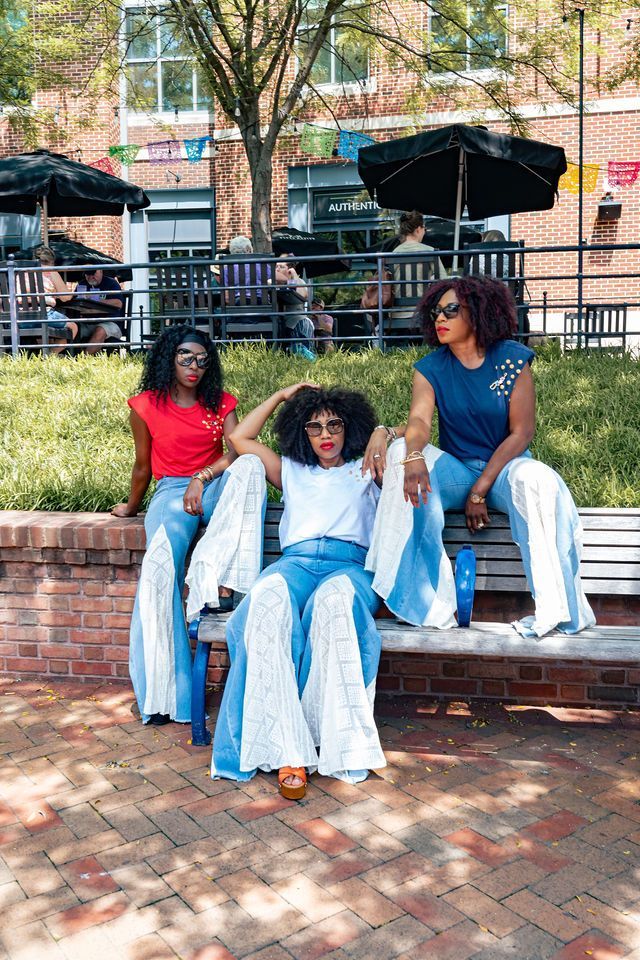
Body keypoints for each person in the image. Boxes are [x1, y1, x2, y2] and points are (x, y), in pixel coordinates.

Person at [364, 275, 595, 639]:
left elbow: (522, 433)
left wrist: (480, 490)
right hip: (456, 469)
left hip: (505, 469)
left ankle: (558, 609)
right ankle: (424, 602)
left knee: (539, 480)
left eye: (451, 310)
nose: (440, 318)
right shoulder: (430, 368)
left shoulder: (511, 360)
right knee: (399, 456)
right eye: (436, 311)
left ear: (478, 312)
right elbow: (420, 421)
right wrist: (412, 454)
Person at [211, 385, 386, 799]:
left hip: (350, 566)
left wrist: (383, 432)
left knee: (334, 603)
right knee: (267, 603)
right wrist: (279, 396)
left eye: (334, 424)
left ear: (350, 427)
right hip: (296, 564)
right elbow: (239, 439)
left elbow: (418, 436)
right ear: (300, 433)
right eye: (314, 427)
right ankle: (288, 747)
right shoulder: (291, 469)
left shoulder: (368, 467)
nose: (325, 434)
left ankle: (335, 741)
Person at [112, 325, 242, 726]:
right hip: (171, 494)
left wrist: (202, 476)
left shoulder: (221, 402)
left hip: (215, 486)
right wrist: (131, 507)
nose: (195, 366)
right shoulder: (145, 405)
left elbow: (239, 452)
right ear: (168, 358)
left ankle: (216, 577)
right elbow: (142, 466)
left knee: (249, 472)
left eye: (203, 359)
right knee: (160, 571)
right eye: (186, 357)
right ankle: (168, 695)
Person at [389, 210, 446, 324]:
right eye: (424, 229)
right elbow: (444, 281)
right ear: (418, 229)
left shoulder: (393, 253)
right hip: (423, 312)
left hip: (397, 313)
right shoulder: (430, 251)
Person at [19, 246, 78, 353]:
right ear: (51, 261)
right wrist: (49, 298)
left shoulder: (21, 272)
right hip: (45, 316)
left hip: (22, 319)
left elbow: (17, 298)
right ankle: (49, 357)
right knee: (73, 327)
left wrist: (39, 297)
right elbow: (66, 297)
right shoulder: (51, 272)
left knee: (46, 334)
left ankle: (45, 355)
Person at [74, 268, 125, 353]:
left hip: (110, 322)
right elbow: (75, 302)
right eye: (87, 274)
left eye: (93, 273)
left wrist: (95, 300)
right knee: (70, 329)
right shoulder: (82, 284)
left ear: (101, 271)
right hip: (86, 322)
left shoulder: (111, 283)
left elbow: (118, 303)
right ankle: (65, 357)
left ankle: (85, 361)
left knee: (100, 330)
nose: (90, 277)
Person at [275, 257, 316, 359]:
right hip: (277, 320)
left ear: (290, 269)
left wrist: (293, 275)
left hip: (295, 320)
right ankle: (301, 352)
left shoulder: (297, 281)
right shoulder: (272, 282)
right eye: (276, 266)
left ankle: (304, 353)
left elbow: (303, 296)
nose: (277, 269)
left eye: (281, 267)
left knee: (304, 322)